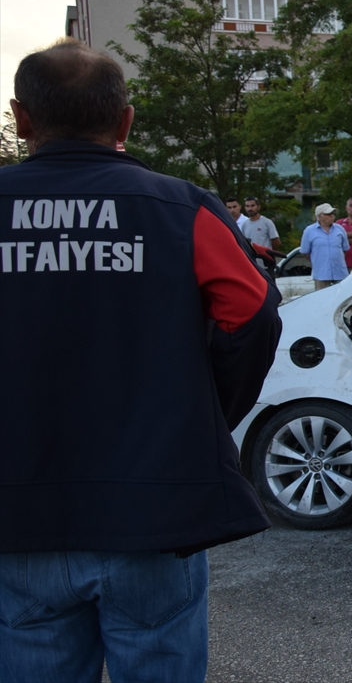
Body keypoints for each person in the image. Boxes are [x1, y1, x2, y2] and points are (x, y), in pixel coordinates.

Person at [0, 38, 280, 681]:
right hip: (156, 508)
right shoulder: (182, 208)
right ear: (125, 122)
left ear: (21, 119)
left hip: (19, 512)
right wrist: (209, 416)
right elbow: (255, 314)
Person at [301, 203, 350, 289]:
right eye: (328, 214)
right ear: (319, 216)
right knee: (321, 298)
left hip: (340, 272)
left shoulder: (340, 229)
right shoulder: (309, 231)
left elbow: (344, 249)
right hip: (321, 273)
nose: (332, 216)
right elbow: (305, 252)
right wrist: (318, 260)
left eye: (332, 214)